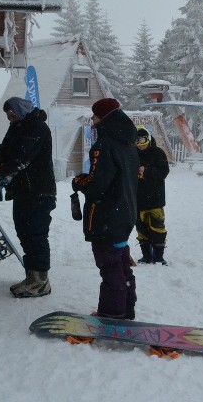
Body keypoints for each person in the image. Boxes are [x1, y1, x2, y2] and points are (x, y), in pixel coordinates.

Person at [72, 98, 140, 319]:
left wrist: (79, 182)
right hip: (124, 213)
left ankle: (112, 312)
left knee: (110, 266)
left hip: (107, 216)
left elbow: (98, 185)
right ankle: (126, 307)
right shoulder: (128, 143)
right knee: (121, 264)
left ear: (103, 117)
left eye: (94, 116)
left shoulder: (105, 144)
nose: (93, 121)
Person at [0, 96, 57, 298]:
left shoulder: (37, 128)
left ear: (21, 109)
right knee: (24, 233)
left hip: (39, 191)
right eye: (8, 115)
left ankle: (41, 281)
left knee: (36, 234)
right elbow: (3, 149)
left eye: (12, 113)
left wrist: (1, 179)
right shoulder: (17, 127)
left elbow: (22, 158)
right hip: (22, 191)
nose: (10, 117)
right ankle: (31, 276)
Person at [134, 125, 170, 265]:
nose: (139, 144)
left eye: (141, 140)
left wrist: (147, 171)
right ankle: (146, 255)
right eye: (136, 141)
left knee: (158, 228)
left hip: (155, 198)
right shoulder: (132, 153)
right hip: (138, 199)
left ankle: (159, 256)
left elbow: (164, 172)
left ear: (147, 139)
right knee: (141, 229)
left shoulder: (158, 153)